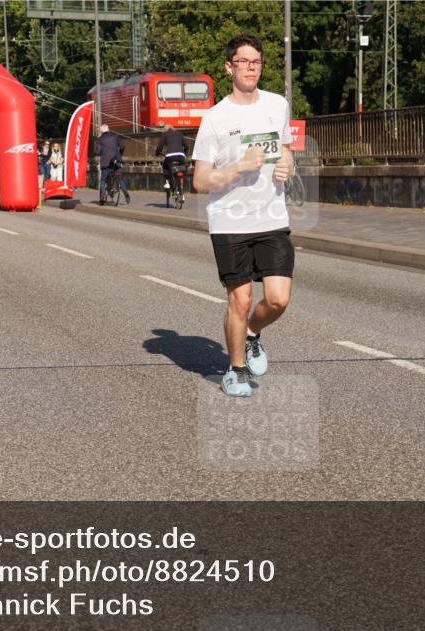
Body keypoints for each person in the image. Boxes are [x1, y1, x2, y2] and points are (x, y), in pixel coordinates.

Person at [192, 34, 295, 397]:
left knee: (279, 298)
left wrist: (288, 165)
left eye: (256, 62)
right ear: (229, 67)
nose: (250, 68)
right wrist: (237, 168)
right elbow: (201, 180)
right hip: (230, 221)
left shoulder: (277, 104)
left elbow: (285, 151)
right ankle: (235, 370)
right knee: (240, 299)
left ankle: (252, 334)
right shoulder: (216, 119)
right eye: (243, 62)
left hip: (271, 217)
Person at [95, 124, 129, 205]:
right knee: (120, 179)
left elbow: (98, 152)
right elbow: (122, 146)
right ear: (108, 129)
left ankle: (102, 196)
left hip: (106, 163)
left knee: (103, 180)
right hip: (116, 161)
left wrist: (99, 152)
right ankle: (125, 193)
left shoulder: (100, 139)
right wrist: (119, 155)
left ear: (101, 131)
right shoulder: (115, 136)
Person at [155, 123, 187, 205]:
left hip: (170, 156)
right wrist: (184, 153)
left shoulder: (165, 134)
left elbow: (159, 146)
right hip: (181, 156)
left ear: (166, 129)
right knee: (181, 170)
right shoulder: (180, 134)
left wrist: (157, 153)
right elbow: (186, 146)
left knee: (166, 167)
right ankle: (182, 192)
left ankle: (167, 183)